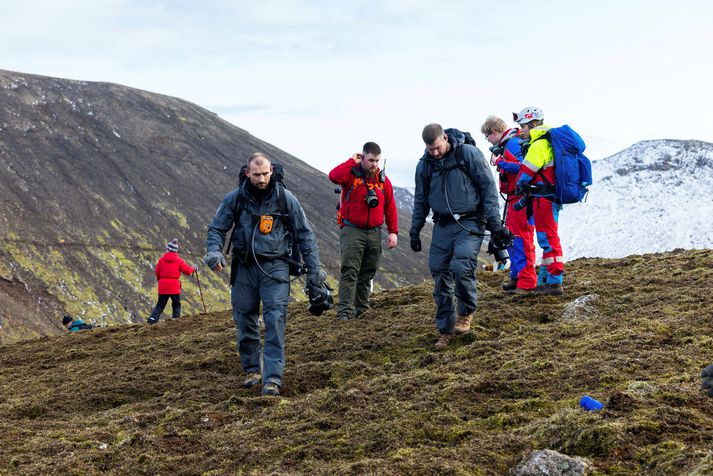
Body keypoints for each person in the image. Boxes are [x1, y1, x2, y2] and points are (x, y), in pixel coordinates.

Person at [203, 152, 329, 397]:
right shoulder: (235, 199)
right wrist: (214, 252)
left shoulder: (285, 199)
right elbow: (217, 228)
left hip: (276, 268)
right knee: (245, 318)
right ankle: (252, 370)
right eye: (256, 174)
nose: (261, 179)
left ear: (271, 170)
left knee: (275, 319)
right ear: (248, 172)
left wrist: (314, 271)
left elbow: (305, 235)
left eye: (265, 174)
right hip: (244, 267)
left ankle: (272, 379)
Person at [410, 124, 513, 350]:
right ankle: (445, 329)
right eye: (430, 149)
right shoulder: (424, 165)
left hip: (470, 221)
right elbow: (420, 200)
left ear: (445, 138)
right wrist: (415, 230)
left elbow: (488, 189)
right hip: (443, 224)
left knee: (461, 266)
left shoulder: (468, 154)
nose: (434, 153)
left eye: (437, 147)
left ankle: (465, 313)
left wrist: (495, 224)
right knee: (439, 272)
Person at [328, 142, 398, 321]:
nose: (374, 164)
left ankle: (362, 309)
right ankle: (344, 312)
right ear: (363, 157)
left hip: (375, 231)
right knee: (350, 270)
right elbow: (334, 176)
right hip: (352, 230)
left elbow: (390, 206)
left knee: (368, 272)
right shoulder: (351, 175)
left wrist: (393, 232)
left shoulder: (382, 180)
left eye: (377, 161)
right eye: (371, 160)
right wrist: (351, 161)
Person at [481, 116, 538, 294]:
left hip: (520, 198)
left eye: (487, 136)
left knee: (521, 238)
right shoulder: (510, 144)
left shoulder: (512, 144)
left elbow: (523, 166)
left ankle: (527, 281)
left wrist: (500, 162)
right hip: (514, 199)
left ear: (495, 132)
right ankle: (517, 276)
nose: (487, 140)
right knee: (512, 238)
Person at [513, 106, 565, 295]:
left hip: (543, 198)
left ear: (534, 124)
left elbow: (527, 169)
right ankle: (547, 279)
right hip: (548, 197)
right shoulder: (547, 141)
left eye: (524, 126)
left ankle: (555, 281)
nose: (522, 130)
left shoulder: (539, 144)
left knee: (548, 238)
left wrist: (520, 183)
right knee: (547, 237)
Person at [147, 239, 196, 324]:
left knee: (160, 305)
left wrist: (161, 281)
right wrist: (193, 268)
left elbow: (157, 272)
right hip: (174, 286)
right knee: (176, 304)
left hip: (163, 286)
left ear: (167, 249)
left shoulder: (161, 260)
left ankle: (152, 320)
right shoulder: (179, 260)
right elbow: (187, 271)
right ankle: (176, 321)